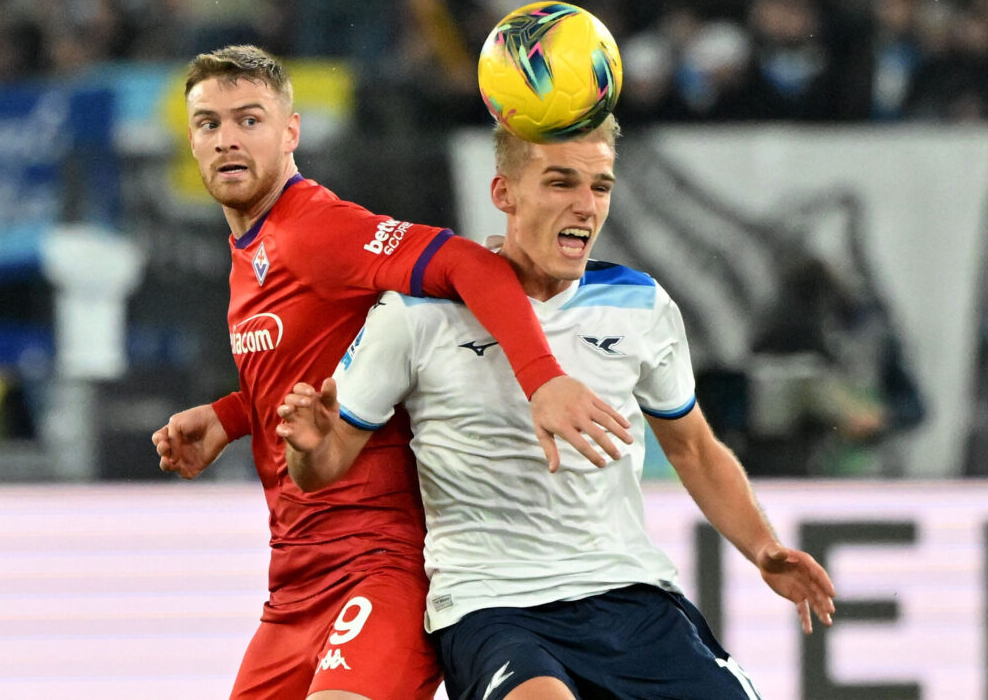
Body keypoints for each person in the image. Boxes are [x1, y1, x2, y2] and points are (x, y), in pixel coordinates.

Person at [277, 114, 837, 699]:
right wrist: (311, 448)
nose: (586, 206)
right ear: (504, 193)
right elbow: (324, 466)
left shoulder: (639, 304)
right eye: (561, 183)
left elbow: (693, 448)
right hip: (494, 608)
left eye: (600, 186)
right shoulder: (418, 313)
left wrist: (764, 548)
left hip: (631, 597)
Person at [150, 44, 633, 700]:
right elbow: (320, 366)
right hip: (294, 585)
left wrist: (542, 377)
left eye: (250, 120)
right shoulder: (252, 248)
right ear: (191, 140)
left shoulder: (316, 228)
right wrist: (231, 416)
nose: (228, 140)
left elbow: (473, 264)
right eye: (210, 124)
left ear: (290, 132)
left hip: (380, 563)